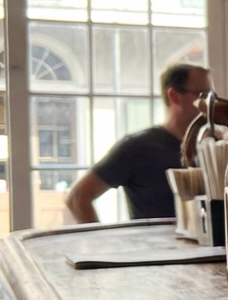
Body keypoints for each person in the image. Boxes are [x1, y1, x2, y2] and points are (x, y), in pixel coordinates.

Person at [66, 63, 211, 223]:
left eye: (212, 96)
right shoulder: (138, 147)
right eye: (202, 95)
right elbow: (77, 199)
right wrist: (101, 244)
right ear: (174, 96)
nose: (210, 102)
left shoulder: (214, 144)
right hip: (157, 247)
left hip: (212, 248)